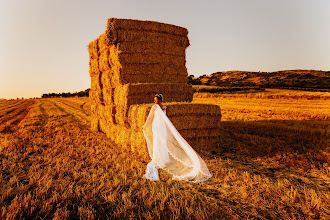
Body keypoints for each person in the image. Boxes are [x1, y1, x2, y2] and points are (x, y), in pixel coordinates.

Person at [142, 94, 212, 182]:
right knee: (157, 142)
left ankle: (164, 158)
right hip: (156, 127)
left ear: (161, 100)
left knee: (163, 142)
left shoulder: (164, 108)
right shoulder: (154, 107)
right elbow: (150, 118)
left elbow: (163, 119)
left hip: (162, 127)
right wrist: (145, 126)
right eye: (155, 100)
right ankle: (158, 158)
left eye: (157, 100)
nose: (156, 101)